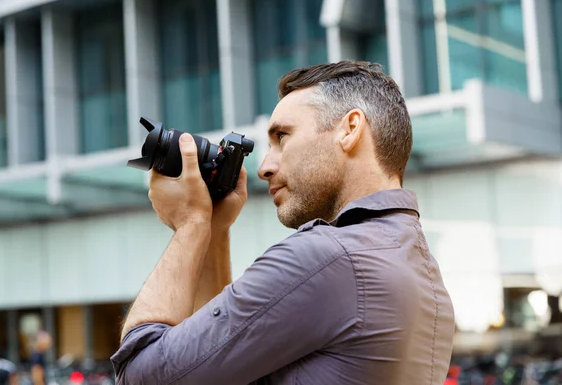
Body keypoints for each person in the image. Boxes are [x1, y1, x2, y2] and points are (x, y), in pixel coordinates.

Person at [111, 61, 456, 384]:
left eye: (282, 137)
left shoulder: (329, 258)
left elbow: (140, 374)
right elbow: (215, 366)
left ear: (350, 129)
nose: (264, 167)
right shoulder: (420, 271)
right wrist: (214, 231)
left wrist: (190, 224)